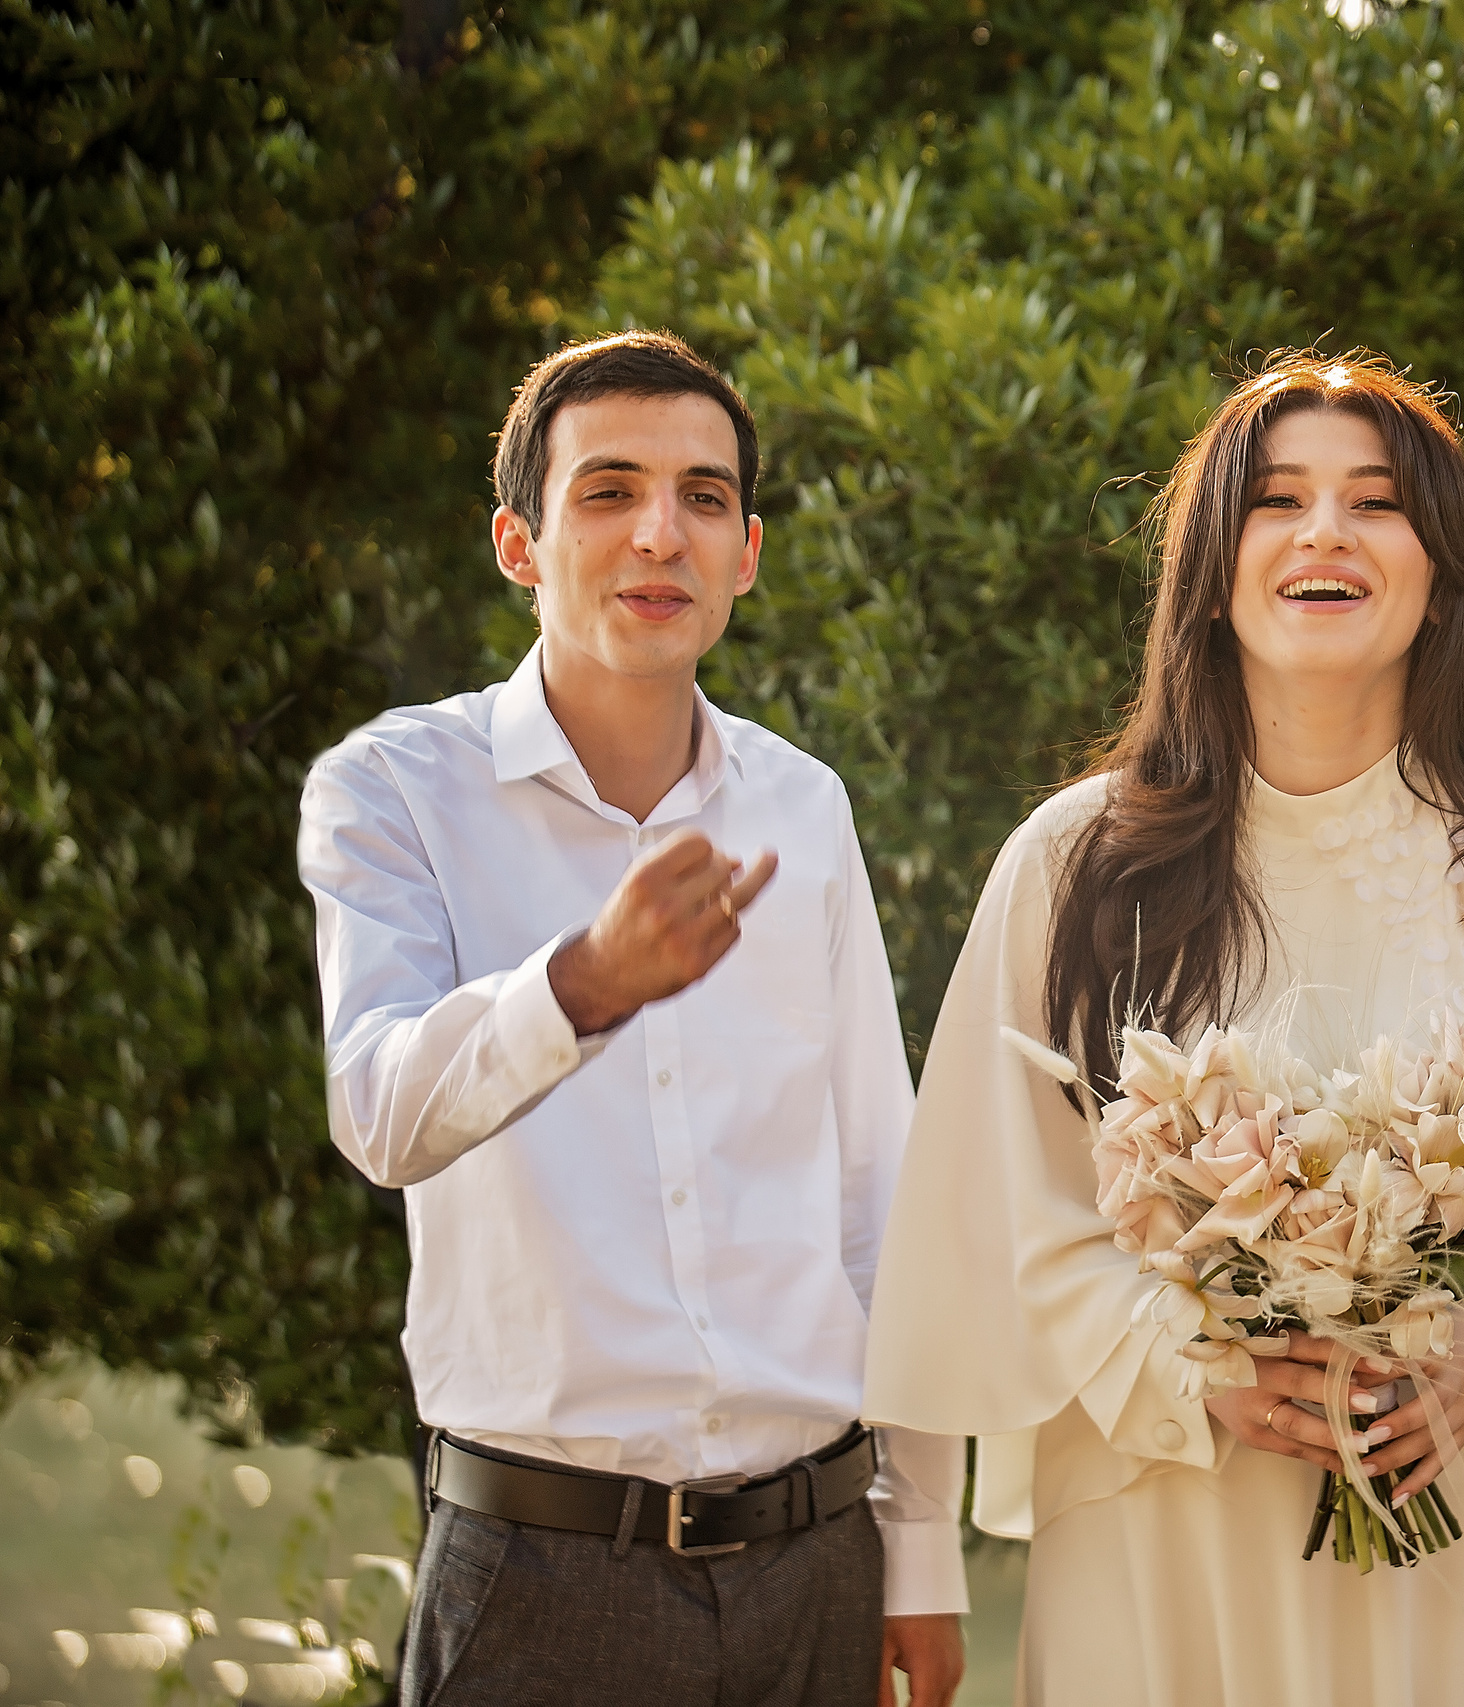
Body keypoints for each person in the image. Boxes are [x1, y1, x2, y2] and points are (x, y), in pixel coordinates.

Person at [864, 351, 1464, 1703]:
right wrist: (1194, 1366)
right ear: (1210, 568)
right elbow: (995, 1216)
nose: (1325, 531)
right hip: (1166, 1535)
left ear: (1441, 568)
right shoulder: (1071, 865)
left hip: (1463, 1527)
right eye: (1278, 500)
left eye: (1376, 502)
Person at [297, 330, 966, 1707]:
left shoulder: (805, 808)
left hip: (816, 1567)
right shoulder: (394, 790)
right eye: (608, 491)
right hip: (539, 1579)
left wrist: (919, 1548)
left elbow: (877, 1193)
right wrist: (581, 983)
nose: (661, 533)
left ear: (746, 554)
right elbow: (378, 1115)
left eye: (703, 497)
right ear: (519, 544)